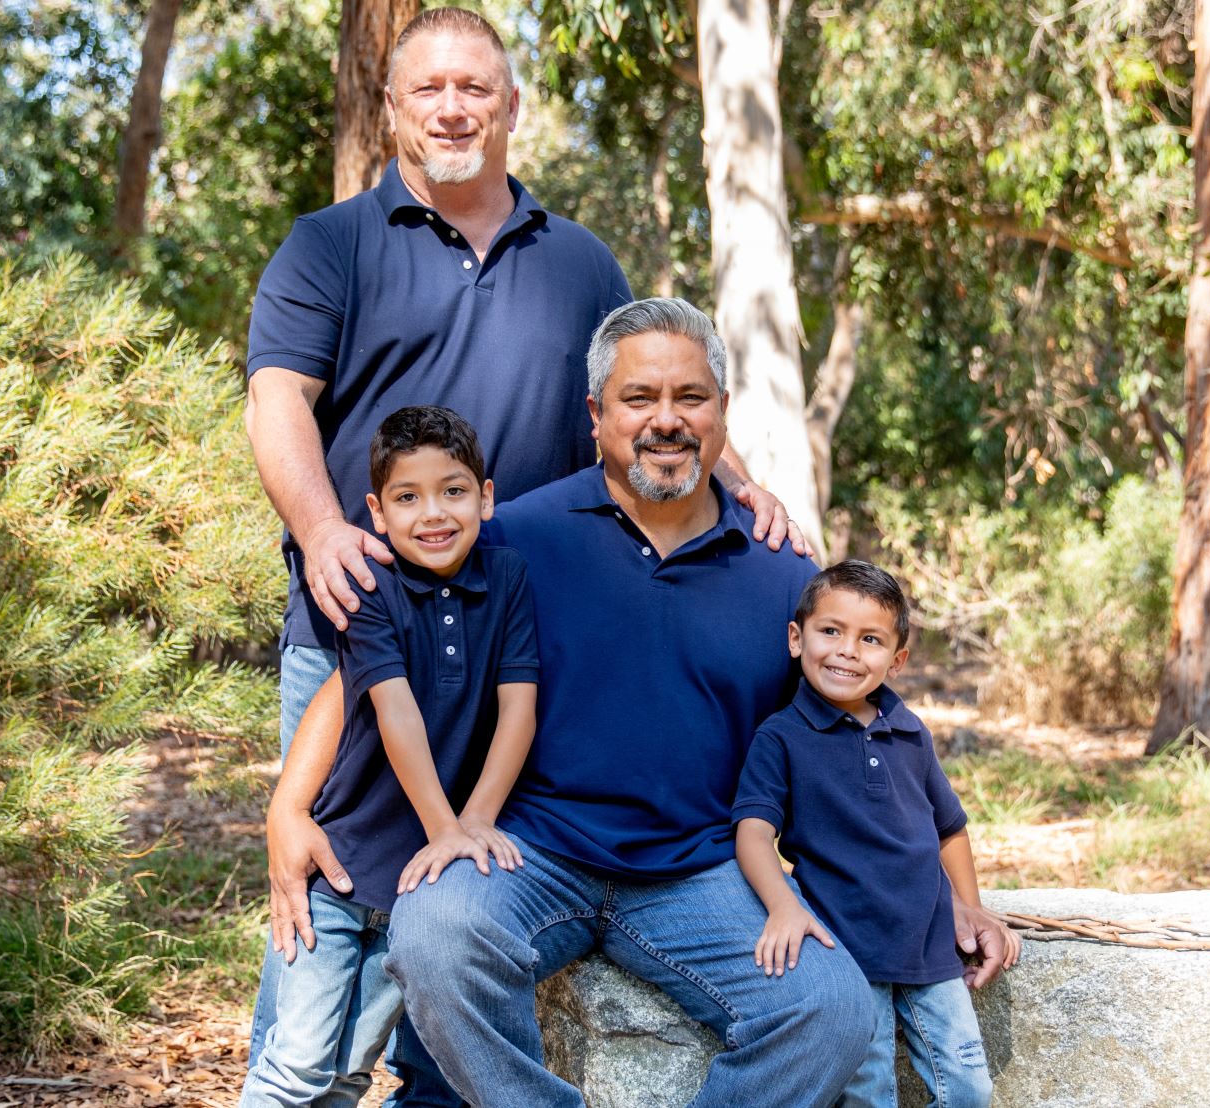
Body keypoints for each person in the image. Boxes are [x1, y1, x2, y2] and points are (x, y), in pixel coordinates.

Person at [260, 297, 1010, 1107]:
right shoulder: (511, 537)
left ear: (722, 413)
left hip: (703, 871)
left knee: (828, 1010)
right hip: (532, 850)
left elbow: (873, 751)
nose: (667, 421)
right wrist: (288, 807)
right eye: (639, 399)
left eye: (690, 398)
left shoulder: (784, 575)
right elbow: (370, 671)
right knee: (435, 932)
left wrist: (960, 902)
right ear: (595, 414)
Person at [243, 8, 795, 1086]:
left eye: (476, 89)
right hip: (359, 631)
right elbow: (276, 400)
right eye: (429, 90)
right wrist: (319, 529)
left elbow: (643, 396)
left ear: (510, 107)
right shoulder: (329, 246)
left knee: (458, 905)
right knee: (332, 907)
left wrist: (743, 487)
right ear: (390, 106)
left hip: (507, 653)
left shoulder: (580, 260)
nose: (453, 109)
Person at [242, 407, 539, 1106]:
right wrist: (447, 829)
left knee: (348, 1072)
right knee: (298, 1068)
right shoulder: (372, 588)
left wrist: (475, 822)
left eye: (454, 491)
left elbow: (518, 707)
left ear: (486, 496)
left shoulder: (510, 578)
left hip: (418, 888)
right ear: (377, 511)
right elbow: (392, 708)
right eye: (408, 497)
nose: (433, 514)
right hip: (343, 871)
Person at [733, 560, 1020, 1108]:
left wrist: (971, 908)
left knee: (968, 1089)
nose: (846, 650)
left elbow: (949, 829)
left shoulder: (910, 733)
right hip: (847, 950)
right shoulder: (782, 737)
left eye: (870, 639)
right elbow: (752, 832)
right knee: (866, 1096)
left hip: (931, 947)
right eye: (830, 631)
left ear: (897, 659)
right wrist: (782, 907)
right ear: (797, 638)